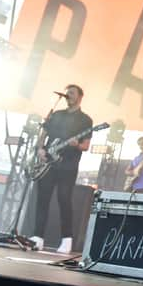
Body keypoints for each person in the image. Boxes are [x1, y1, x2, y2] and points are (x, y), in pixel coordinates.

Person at [29, 84, 93, 254]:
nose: (68, 95)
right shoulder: (56, 115)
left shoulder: (86, 120)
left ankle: (67, 240)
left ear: (80, 97)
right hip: (48, 163)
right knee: (43, 199)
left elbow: (86, 146)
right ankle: (37, 237)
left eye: (71, 93)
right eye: (67, 93)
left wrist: (76, 144)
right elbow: (43, 135)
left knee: (64, 200)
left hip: (68, 165)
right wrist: (41, 149)